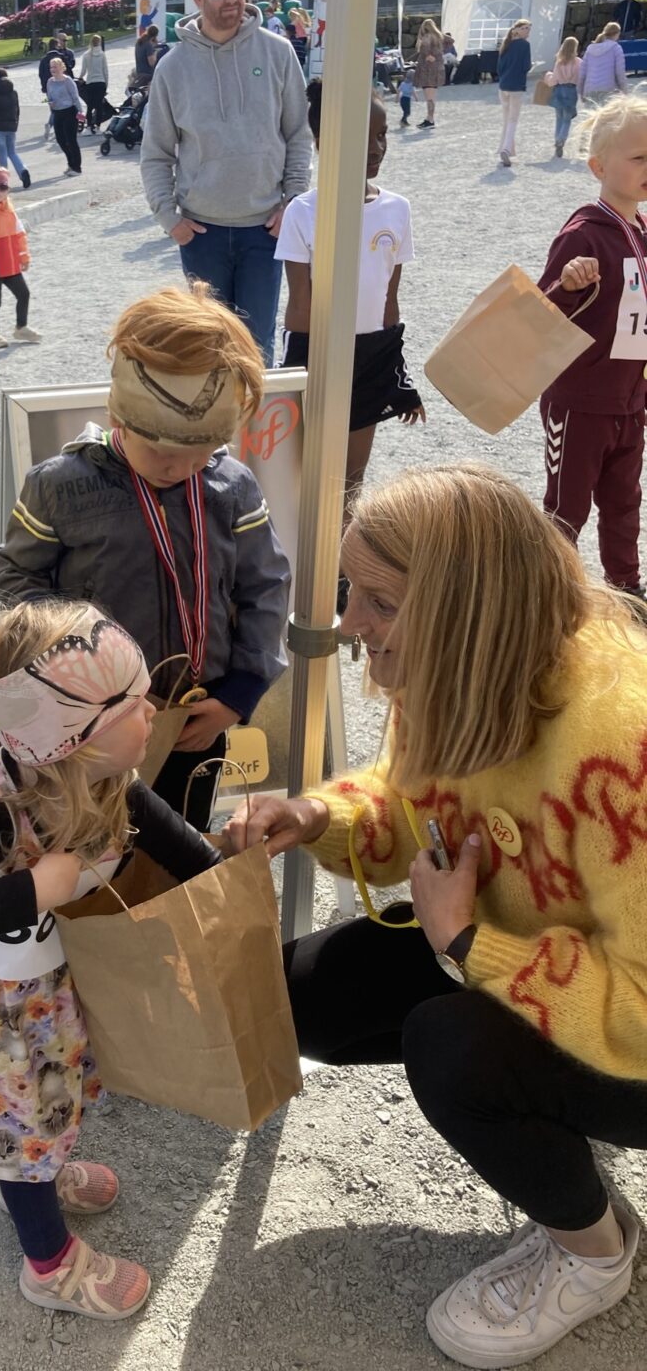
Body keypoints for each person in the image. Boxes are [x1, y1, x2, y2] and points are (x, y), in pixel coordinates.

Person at [226, 464, 647, 1370]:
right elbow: (409, 801)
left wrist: (469, 944)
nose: (347, 626)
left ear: (468, 610)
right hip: (523, 948)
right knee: (302, 997)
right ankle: (548, 1129)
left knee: (451, 1047)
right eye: (349, 592)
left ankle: (594, 1253)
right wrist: (318, 817)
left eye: (377, 600)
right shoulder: (462, 670)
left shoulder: (626, 747)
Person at [0, 600, 254, 1319]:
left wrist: (229, 869)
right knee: (23, 1121)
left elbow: (179, 849)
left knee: (45, 1111)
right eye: (130, 703)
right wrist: (34, 887)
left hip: (49, 996)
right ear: (70, 736)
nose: (152, 709)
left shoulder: (106, 780)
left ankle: (42, 1171)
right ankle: (49, 1266)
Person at [0, 283, 290, 828]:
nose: (177, 467)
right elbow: (16, 581)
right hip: (94, 723)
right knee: (95, 842)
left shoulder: (232, 488)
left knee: (183, 838)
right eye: (159, 449)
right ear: (120, 416)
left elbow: (265, 588)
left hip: (197, 714)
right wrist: (77, 671)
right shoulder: (60, 487)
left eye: (196, 453)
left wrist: (240, 693)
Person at [277, 81, 424, 612]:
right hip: (316, 353)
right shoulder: (302, 212)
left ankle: (338, 576)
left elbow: (389, 300)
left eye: (383, 136)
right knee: (307, 469)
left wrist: (397, 376)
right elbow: (300, 302)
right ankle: (292, 566)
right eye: (366, 137)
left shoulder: (397, 210)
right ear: (326, 142)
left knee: (350, 478)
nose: (378, 147)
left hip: (371, 357)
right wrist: (296, 378)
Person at [140, 0, 312, 365]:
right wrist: (169, 219)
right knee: (209, 353)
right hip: (202, 237)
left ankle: (255, 436)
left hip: (264, 233)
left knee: (257, 352)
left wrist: (291, 202)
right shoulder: (172, 69)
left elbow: (298, 133)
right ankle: (218, 436)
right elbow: (157, 153)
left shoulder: (278, 53)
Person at [538, 94, 647, 598]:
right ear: (599, 166)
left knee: (625, 502)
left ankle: (626, 590)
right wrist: (568, 282)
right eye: (639, 157)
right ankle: (548, 594)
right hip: (580, 402)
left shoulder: (642, 232)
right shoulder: (584, 233)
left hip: (628, 401)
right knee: (566, 508)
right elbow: (540, 313)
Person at [0, 166, 40, 349]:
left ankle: (21, 327)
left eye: (3, 187)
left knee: (23, 294)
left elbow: (19, 234)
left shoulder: (10, 210)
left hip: (9, 261)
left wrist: (24, 256)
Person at [0, 66, 30, 187]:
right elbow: (17, 109)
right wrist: (15, 122)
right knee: (12, 152)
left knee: (2, 153)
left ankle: (3, 180)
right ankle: (22, 171)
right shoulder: (13, 92)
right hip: (11, 126)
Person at [496, 17, 532, 168]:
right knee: (512, 120)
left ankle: (507, 148)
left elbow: (499, 67)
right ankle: (505, 149)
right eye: (525, 28)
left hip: (503, 85)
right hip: (516, 85)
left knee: (506, 118)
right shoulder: (524, 45)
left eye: (528, 29)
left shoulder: (506, 45)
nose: (527, 31)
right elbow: (526, 66)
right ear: (516, 30)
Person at [46, 55, 85, 177]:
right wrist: (49, 103)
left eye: (55, 67)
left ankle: (77, 167)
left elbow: (75, 97)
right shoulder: (50, 82)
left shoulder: (68, 81)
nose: (53, 69)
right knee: (61, 140)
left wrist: (81, 113)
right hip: (57, 112)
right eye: (51, 67)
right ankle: (70, 163)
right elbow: (49, 97)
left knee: (71, 140)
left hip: (69, 112)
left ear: (61, 67)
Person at [546, 35, 581, 158]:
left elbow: (554, 80)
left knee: (559, 118)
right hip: (571, 90)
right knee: (567, 119)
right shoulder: (578, 62)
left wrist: (548, 76)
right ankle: (561, 139)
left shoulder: (559, 62)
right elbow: (581, 78)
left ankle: (557, 140)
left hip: (559, 90)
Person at [579, 21, 628, 102]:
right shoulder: (616, 48)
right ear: (617, 34)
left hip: (590, 89)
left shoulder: (590, 48)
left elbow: (582, 73)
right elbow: (620, 72)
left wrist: (581, 92)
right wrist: (624, 91)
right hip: (609, 90)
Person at [39, 36, 74, 138]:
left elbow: (41, 74)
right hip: (62, 84)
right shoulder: (61, 57)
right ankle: (55, 125)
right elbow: (68, 69)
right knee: (62, 107)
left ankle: (51, 124)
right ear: (56, 45)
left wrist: (43, 86)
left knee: (53, 107)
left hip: (48, 87)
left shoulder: (44, 59)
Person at [413, 17, 444, 128]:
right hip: (437, 70)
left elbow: (427, 54)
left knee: (429, 97)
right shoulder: (438, 37)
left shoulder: (427, 38)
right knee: (431, 96)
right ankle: (428, 118)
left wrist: (427, 55)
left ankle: (430, 120)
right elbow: (450, 40)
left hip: (428, 71)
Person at [78, 33, 109, 133]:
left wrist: (80, 77)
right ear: (99, 42)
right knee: (99, 106)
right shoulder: (102, 54)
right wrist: (106, 84)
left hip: (91, 82)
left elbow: (83, 71)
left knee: (90, 105)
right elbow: (105, 71)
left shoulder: (86, 55)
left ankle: (88, 127)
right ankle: (98, 126)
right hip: (101, 82)